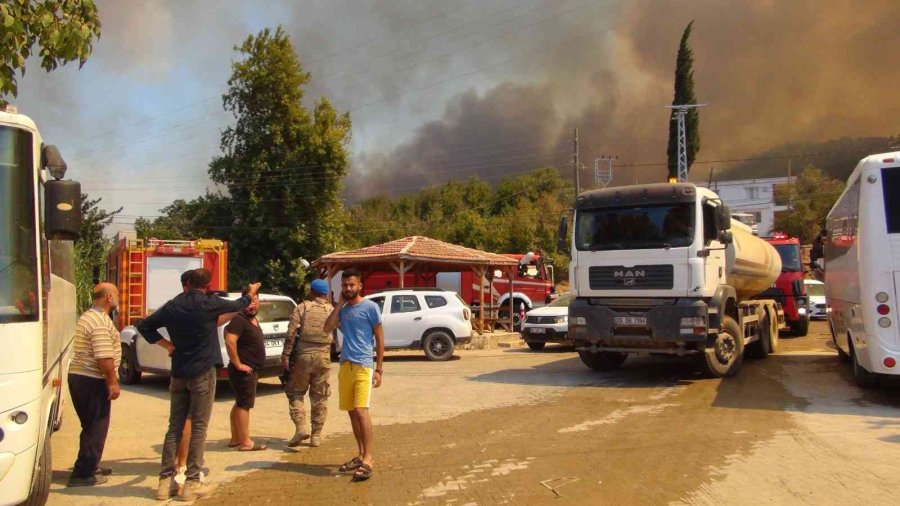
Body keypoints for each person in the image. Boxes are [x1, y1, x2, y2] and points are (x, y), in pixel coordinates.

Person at [138, 269, 260, 501]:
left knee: (174, 427)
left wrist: (168, 346)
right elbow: (239, 303)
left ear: (186, 284)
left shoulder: (173, 305)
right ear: (207, 285)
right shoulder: (208, 303)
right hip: (203, 372)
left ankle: (165, 483)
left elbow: (145, 326)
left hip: (179, 373)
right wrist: (251, 292)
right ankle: (192, 482)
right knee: (199, 428)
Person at [324, 269, 384, 481]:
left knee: (361, 411)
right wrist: (338, 304)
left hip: (363, 366)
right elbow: (327, 328)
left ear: (360, 286)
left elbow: (379, 337)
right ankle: (359, 454)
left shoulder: (370, 307)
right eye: (345, 285)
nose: (348, 289)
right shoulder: (343, 309)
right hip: (345, 366)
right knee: (351, 412)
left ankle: (368, 458)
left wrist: (379, 369)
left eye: (352, 285)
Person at [66, 283, 121, 487]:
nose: (118, 299)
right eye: (116, 295)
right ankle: (82, 474)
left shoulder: (91, 316)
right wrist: (112, 382)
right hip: (91, 380)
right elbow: (103, 356)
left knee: (91, 425)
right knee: (97, 426)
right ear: (108, 297)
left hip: (82, 378)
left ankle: (90, 465)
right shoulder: (98, 321)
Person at [282, 278, 334, 448]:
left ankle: (301, 427)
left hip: (304, 356)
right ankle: (316, 435)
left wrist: (286, 355)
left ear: (311, 291)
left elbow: (291, 334)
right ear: (325, 294)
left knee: (295, 392)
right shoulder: (331, 310)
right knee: (320, 396)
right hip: (324, 356)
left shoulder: (302, 307)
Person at [225, 287, 267, 451]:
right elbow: (229, 341)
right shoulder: (239, 319)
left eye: (255, 301)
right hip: (244, 371)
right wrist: (238, 364)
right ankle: (245, 442)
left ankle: (236, 438)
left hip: (250, 370)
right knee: (244, 405)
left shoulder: (251, 319)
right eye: (249, 302)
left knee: (240, 403)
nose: (252, 305)